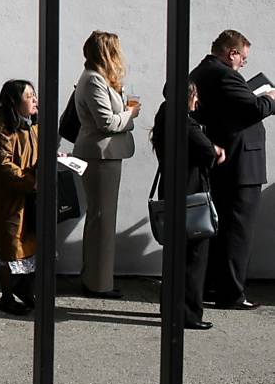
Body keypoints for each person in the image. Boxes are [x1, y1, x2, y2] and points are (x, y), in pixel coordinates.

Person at [190, 30, 275, 309]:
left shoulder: (202, 70)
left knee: (220, 228)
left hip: (224, 160)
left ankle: (212, 286)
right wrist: (271, 98)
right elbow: (252, 108)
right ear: (232, 53)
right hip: (241, 163)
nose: (242, 64)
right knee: (238, 231)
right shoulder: (225, 74)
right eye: (243, 59)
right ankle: (232, 293)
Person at [151, 81, 226, 330]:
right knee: (194, 256)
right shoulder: (184, 120)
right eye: (195, 96)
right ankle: (188, 314)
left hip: (171, 189)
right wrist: (215, 148)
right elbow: (206, 151)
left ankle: (169, 308)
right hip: (189, 193)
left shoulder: (164, 113)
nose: (197, 101)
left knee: (174, 255)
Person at [72, 30, 140, 299]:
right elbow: (107, 123)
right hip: (100, 155)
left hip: (105, 155)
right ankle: (98, 283)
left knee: (101, 218)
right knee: (102, 220)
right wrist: (131, 114)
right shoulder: (93, 81)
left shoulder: (98, 79)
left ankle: (96, 277)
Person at [0, 80, 39, 315]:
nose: (35, 100)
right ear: (14, 102)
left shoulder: (32, 126)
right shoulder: (3, 130)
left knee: (30, 245)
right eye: (29, 96)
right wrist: (32, 181)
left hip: (30, 198)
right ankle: (7, 296)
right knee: (10, 247)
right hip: (10, 201)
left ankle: (25, 291)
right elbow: (3, 166)